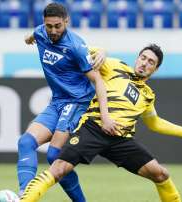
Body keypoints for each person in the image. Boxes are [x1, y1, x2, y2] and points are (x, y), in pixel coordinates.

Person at [20, 44, 182, 202]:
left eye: (151, 62)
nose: (145, 63)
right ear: (137, 58)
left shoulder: (147, 95)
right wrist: (101, 50)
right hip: (93, 128)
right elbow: (85, 51)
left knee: (161, 174)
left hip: (120, 140)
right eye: (143, 57)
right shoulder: (115, 66)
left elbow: (155, 123)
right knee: (59, 167)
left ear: (155, 69)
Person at [17, 3, 117, 202]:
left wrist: (105, 116)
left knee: (55, 156)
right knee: (26, 142)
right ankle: (25, 196)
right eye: (49, 26)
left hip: (77, 102)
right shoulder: (40, 33)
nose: (53, 31)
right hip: (57, 102)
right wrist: (30, 38)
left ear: (66, 22)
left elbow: (98, 80)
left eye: (58, 26)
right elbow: (35, 34)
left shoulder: (76, 47)